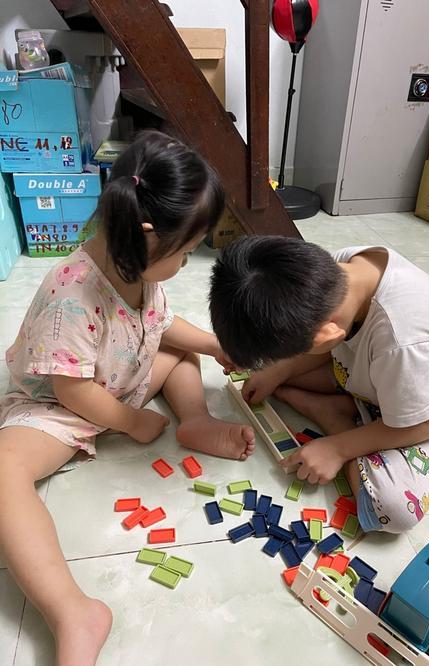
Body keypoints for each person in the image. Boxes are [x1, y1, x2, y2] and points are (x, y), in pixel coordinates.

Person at [0, 131, 255, 666]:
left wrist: (214, 345)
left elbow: (159, 325)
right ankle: (73, 611)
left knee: (183, 356)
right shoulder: (70, 293)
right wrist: (129, 422)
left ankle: (196, 420)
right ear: (144, 236)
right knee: (3, 472)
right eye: (185, 253)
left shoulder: (135, 264)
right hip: (60, 406)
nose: (186, 265)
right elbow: (71, 389)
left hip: (120, 370)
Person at [210, 235, 429, 534]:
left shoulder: (404, 341)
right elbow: (331, 345)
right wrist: (278, 371)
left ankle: (336, 417)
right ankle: (340, 403)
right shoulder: (339, 269)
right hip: (377, 376)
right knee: (275, 377)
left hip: (428, 419)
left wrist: (338, 448)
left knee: (392, 509)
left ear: (327, 336)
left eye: (300, 350)